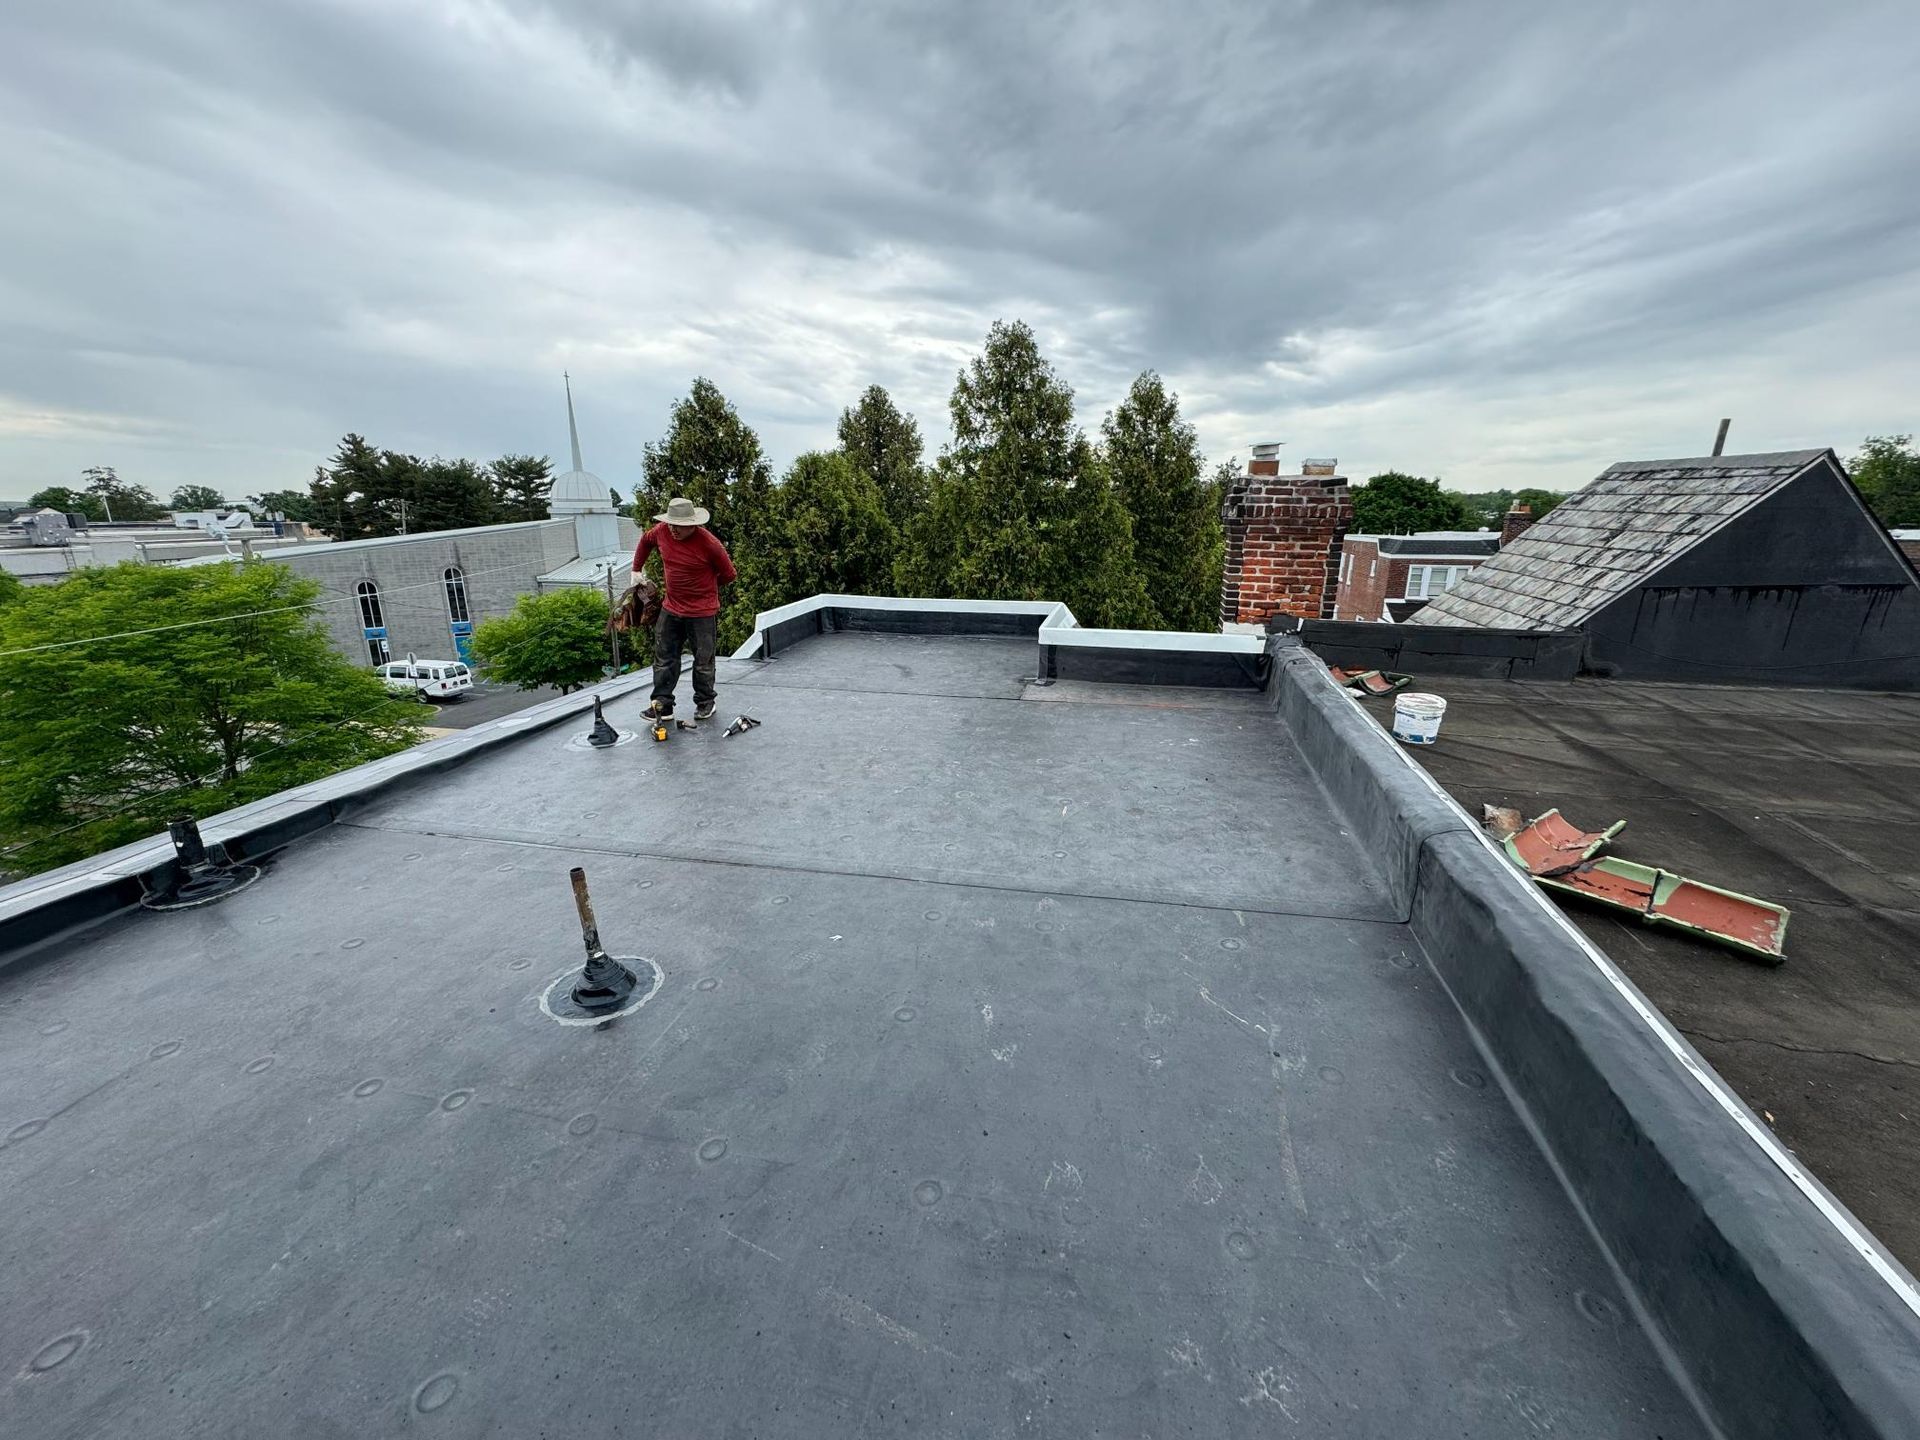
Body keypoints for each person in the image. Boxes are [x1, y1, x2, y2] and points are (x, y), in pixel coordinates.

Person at [634, 496, 736, 722]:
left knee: (703, 660)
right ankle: (662, 706)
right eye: (671, 524)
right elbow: (645, 542)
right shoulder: (661, 531)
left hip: (702, 612)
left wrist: (705, 589)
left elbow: (729, 574)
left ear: (693, 524)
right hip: (671, 608)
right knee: (664, 658)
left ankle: (705, 702)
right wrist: (636, 570)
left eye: (679, 526)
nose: (673, 530)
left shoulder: (710, 544)